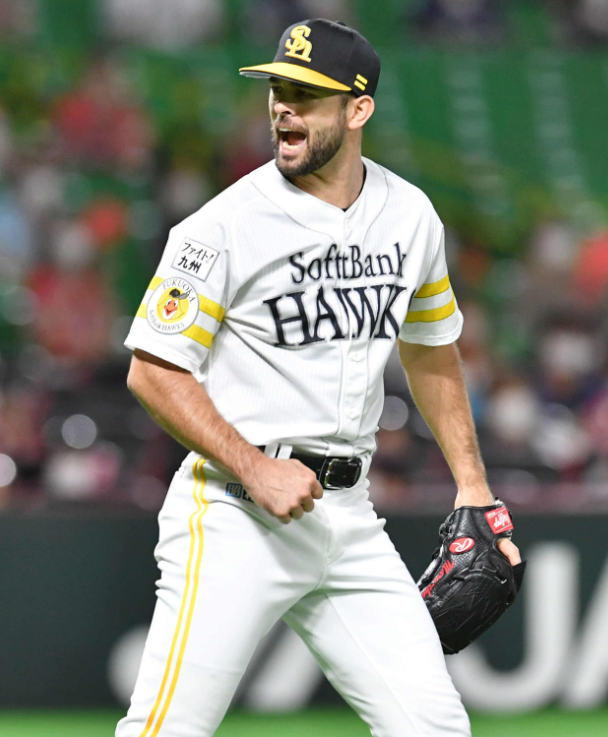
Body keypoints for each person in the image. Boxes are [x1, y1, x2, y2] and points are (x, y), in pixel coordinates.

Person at [117, 18, 520, 737]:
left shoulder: (410, 216)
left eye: (306, 94)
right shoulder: (223, 225)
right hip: (237, 507)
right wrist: (254, 467)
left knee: (435, 728)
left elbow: (431, 349)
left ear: (358, 109)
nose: (283, 107)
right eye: (278, 89)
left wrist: (473, 484)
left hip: (349, 515)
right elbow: (153, 371)